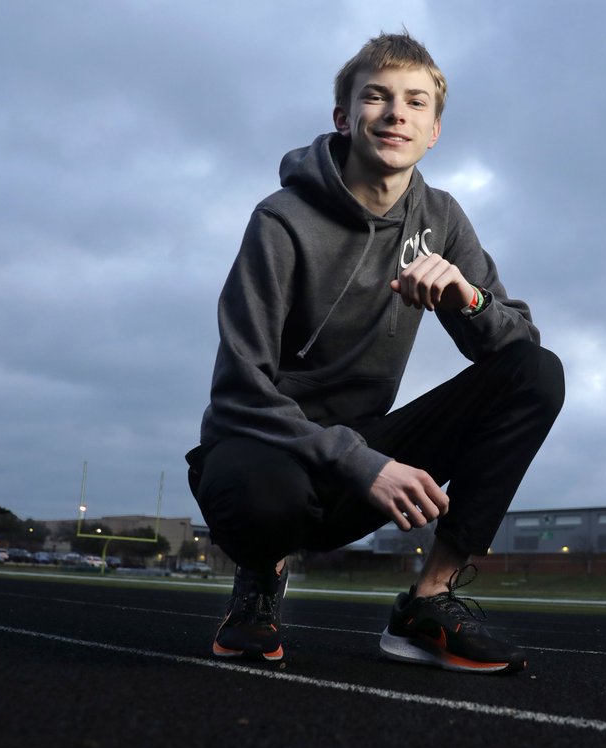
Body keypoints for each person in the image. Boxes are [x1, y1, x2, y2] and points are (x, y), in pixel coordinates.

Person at [185, 31, 564, 675]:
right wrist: (362, 463)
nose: (396, 114)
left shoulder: (440, 218)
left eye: (416, 102)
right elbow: (240, 390)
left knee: (537, 373)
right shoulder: (281, 220)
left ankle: (429, 602)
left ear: (434, 130)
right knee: (262, 492)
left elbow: (518, 346)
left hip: (362, 459)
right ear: (343, 116)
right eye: (377, 97)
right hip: (267, 452)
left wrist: (465, 301)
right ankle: (258, 586)